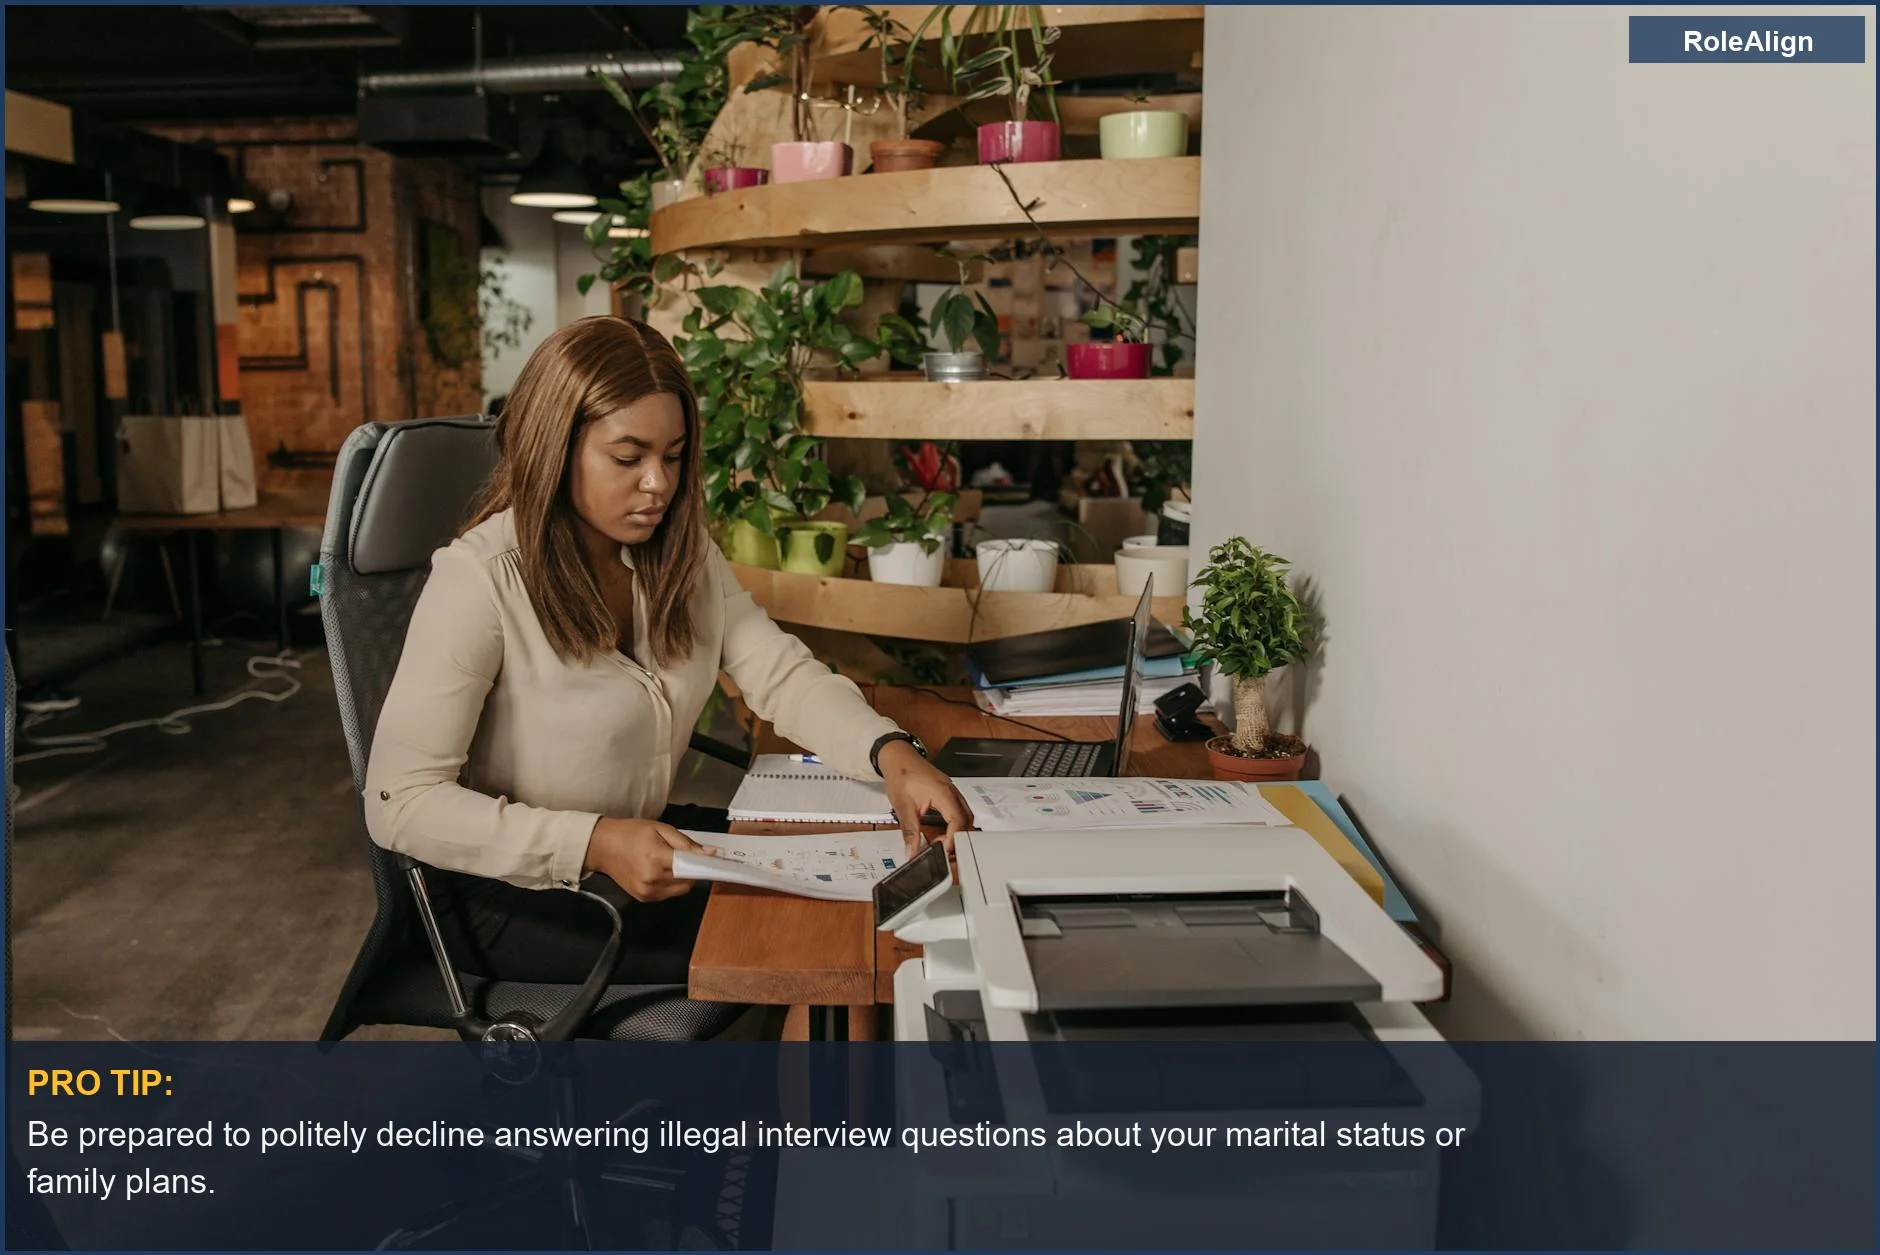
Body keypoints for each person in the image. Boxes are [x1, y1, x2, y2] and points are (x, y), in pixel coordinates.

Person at [365, 316, 972, 986]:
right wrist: (593, 840)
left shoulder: (678, 555)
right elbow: (401, 802)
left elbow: (781, 676)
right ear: (553, 449)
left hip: (640, 847)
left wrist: (892, 754)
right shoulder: (479, 580)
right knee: (814, 938)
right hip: (512, 895)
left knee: (873, 903)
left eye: (674, 456)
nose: (659, 483)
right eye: (629, 458)